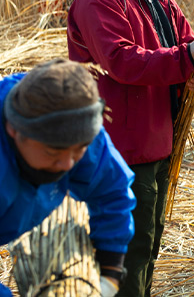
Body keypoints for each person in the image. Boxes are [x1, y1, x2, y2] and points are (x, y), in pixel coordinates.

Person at [67, 0, 194, 297]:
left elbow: (191, 44)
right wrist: (186, 60)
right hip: (121, 149)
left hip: (158, 142)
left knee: (147, 248)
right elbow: (121, 61)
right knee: (126, 256)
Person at [1, 59, 136, 297]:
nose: (68, 164)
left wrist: (109, 274)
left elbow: (112, 192)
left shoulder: (75, 123)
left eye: (78, 151)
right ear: (14, 129)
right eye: (52, 153)